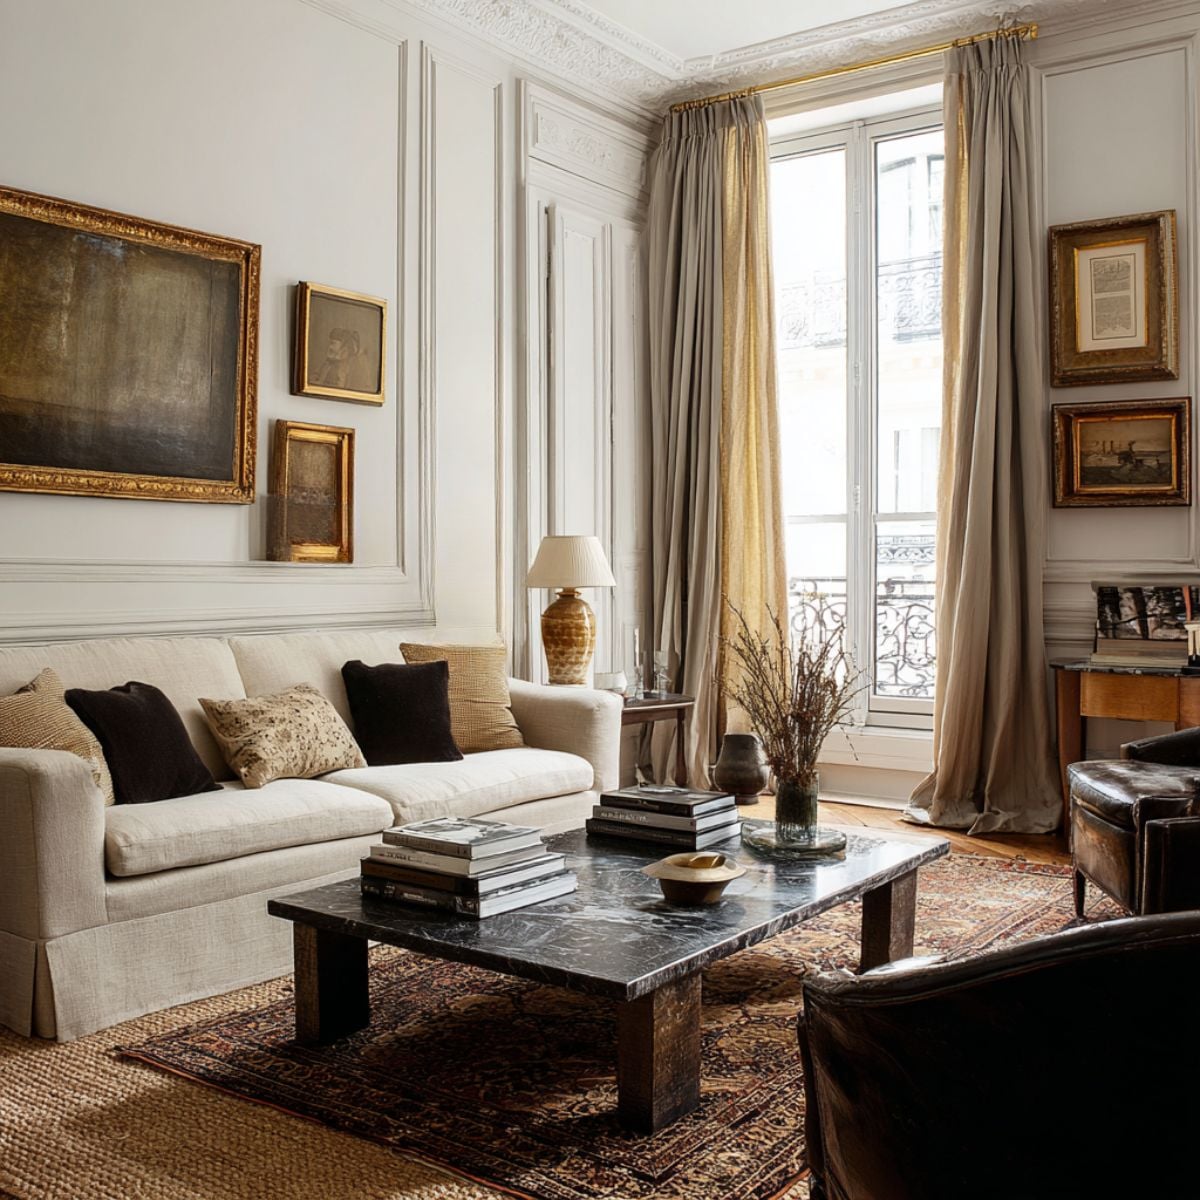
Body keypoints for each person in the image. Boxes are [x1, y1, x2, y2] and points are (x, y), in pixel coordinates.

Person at [314, 327, 373, 391]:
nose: (330, 347)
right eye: (330, 343)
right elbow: (315, 379)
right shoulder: (327, 363)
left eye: (333, 343)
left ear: (344, 347)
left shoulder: (355, 365)